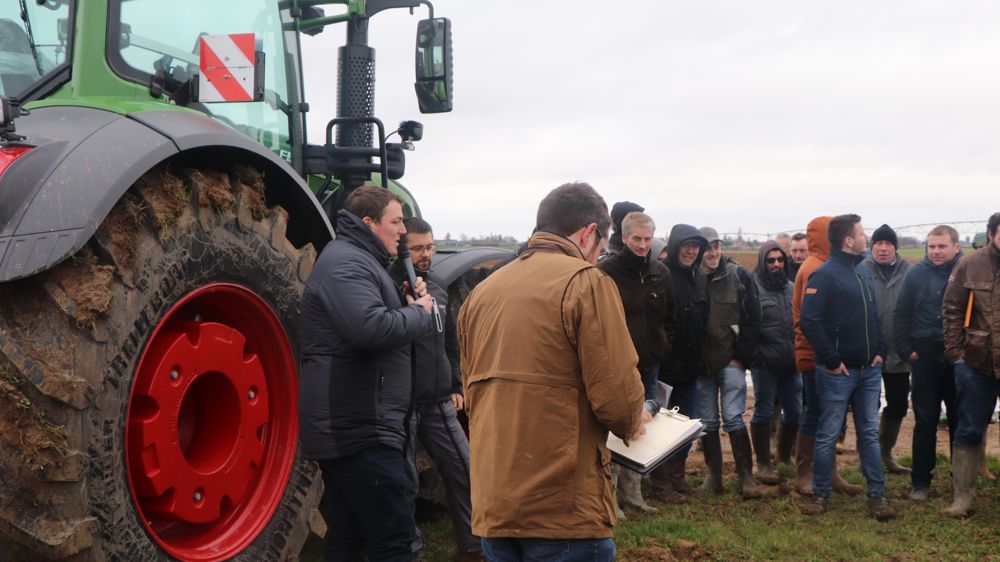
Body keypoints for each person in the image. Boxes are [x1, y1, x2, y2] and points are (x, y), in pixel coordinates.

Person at [457, 182, 648, 561]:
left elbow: (472, 393)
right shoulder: (586, 282)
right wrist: (636, 418)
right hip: (563, 509)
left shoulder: (481, 293)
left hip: (495, 505)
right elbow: (618, 404)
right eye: (600, 247)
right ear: (589, 233)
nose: (596, 258)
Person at [298, 185, 435, 561]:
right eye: (396, 222)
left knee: (351, 538)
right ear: (369, 222)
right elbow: (371, 328)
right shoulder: (347, 263)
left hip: (356, 426)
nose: (403, 230)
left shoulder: (358, 260)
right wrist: (418, 312)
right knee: (393, 541)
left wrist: (404, 301)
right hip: (361, 430)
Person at [389, 217, 483, 561]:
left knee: (464, 468)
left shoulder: (439, 289)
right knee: (405, 482)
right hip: (403, 404)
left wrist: (456, 383)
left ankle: (473, 546)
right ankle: (407, 550)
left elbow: (450, 343)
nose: (426, 254)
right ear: (402, 249)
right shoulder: (388, 287)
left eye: (430, 247)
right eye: (417, 248)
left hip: (439, 400)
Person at [799, 214, 895, 520]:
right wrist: (831, 359)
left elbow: (873, 314)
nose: (866, 237)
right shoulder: (825, 275)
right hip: (837, 373)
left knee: (868, 433)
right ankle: (821, 494)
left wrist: (880, 349)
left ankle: (877, 495)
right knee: (828, 433)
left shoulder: (861, 271)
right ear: (848, 240)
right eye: (862, 233)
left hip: (869, 370)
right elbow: (809, 321)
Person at [598, 212, 676, 508]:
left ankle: (633, 494)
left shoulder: (660, 272)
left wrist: (664, 345)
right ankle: (610, 497)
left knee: (645, 425)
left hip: (650, 364)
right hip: (618, 366)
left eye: (647, 239)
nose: (643, 245)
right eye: (637, 239)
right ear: (624, 237)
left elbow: (671, 317)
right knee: (617, 426)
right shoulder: (606, 272)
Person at [792, 216, 862, 497]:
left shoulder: (823, 264)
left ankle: (829, 473)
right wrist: (826, 353)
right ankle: (805, 473)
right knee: (814, 414)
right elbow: (811, 320)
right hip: (814, 355)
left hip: (823, 353)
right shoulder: (815, 268)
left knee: (827, 415)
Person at [894, 225, 962, 502]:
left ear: (956, 247)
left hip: (957, 355)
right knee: (925, 421)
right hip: (924, 355)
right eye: (931, 246)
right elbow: (901, 312)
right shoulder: (916, 274)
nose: (935, 251)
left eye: (941, 246)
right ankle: (921, 481)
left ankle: (961, 481)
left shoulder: (965, 271)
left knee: (960, 420)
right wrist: (905, 349)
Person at [694, 227, 761, 498]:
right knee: (707, 421)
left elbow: (753, 320)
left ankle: (747, 478)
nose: (713, 253)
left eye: (716, 247)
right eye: (707, 248)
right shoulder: (690, 278)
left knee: (733, 416)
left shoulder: (738, 276)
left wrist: (740, 358)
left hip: (730, 361)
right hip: (701, 365)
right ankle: (714, 477)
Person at [941, 211, 1000, 518]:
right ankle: (962, 497)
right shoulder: (970, 264)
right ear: (991, 234)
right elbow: (952, 308)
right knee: (969, 429)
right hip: (977, 363)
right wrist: (957, 355)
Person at [650, 224, 709, 501]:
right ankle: (660, 483)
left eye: (696, 247)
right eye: (686, 246)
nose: (691, 251)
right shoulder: (662, 275)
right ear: (675, 247)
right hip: (665, 367)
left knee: (687, 425)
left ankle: (678, 477)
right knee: (661, 427)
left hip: (691, 368)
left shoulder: (700, 278)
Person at [859, 224, 912, 476]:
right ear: (872, 247)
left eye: (888, 244)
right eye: (878, 244)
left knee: (899, 404)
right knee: (867, 407)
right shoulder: (860, 270)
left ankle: (885, 453)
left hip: (899, 353)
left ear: (895, 248)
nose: (882, 248)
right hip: (868, 352)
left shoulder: (909, 272)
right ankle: (867, 457)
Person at [750, 241, 801, 484]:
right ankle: (763, 463)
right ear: (763, 262)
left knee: (795, 412)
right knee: (763, 411)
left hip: (791, 362)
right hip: (764, 363)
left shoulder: (791, 288)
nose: (776, 264)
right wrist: (756, 355)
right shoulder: (752, 289)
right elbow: (747, 327)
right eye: (771, 260)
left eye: (780, 260)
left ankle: (783, 456)